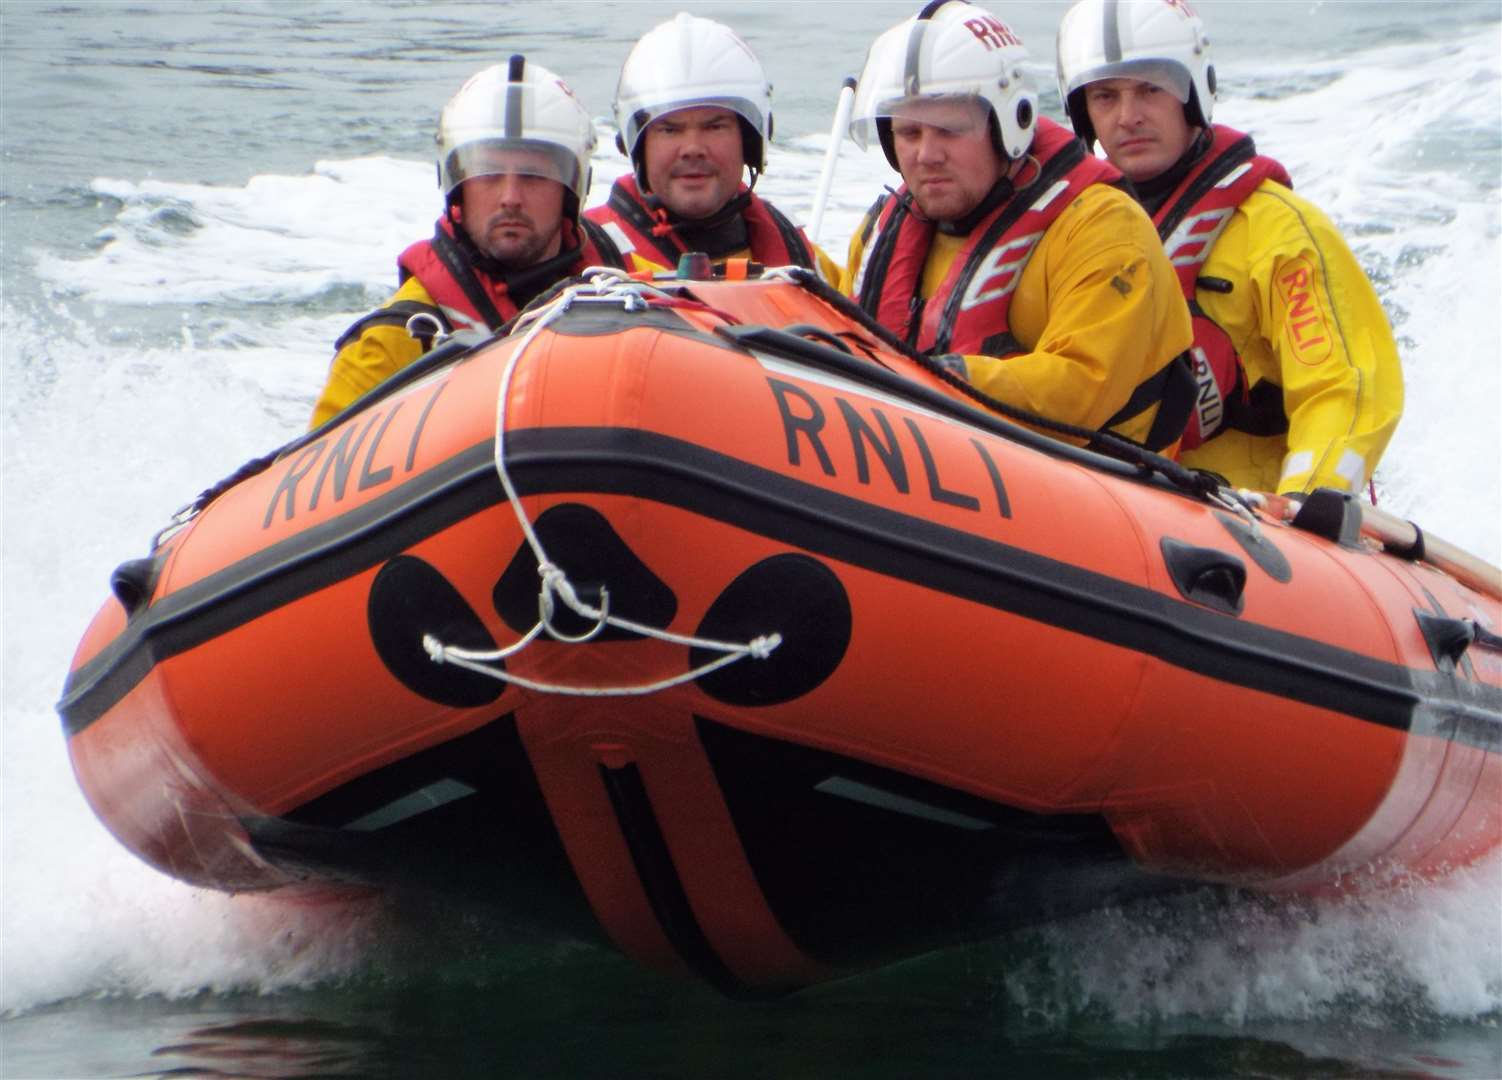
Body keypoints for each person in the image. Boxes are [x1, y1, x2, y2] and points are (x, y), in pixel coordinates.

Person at [1056, 0, 1404, 496]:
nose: (1127, 117)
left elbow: (1345, 386)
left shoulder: (1276, 231)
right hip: (1110, 503)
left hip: (1248, 520)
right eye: (1105, 97)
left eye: (1151, 89)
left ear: (1193, 93)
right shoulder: (1071, 234)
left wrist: (1310, 495)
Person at [841, 0, 1193, 453]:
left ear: (1009, 123)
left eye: (948, 130)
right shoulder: (879, 233)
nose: (926, 154)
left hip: (1087, 492)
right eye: (909, 134)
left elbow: (1080, 387)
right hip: (923, 461)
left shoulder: (1104, 228)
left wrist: (924, 377)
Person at [311, 57, 626, 429]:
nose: (510, 196)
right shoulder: (392, 346)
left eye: (534, 174)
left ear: (571, 190)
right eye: (487, 172)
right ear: (458, 186)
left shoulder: (634, 287)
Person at [585, 12, 841, 282]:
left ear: (749, 140)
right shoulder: (587, 264)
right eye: (670, 130)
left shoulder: (799, 255)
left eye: (714, 126)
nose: (692, 148)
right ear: (637, 146)